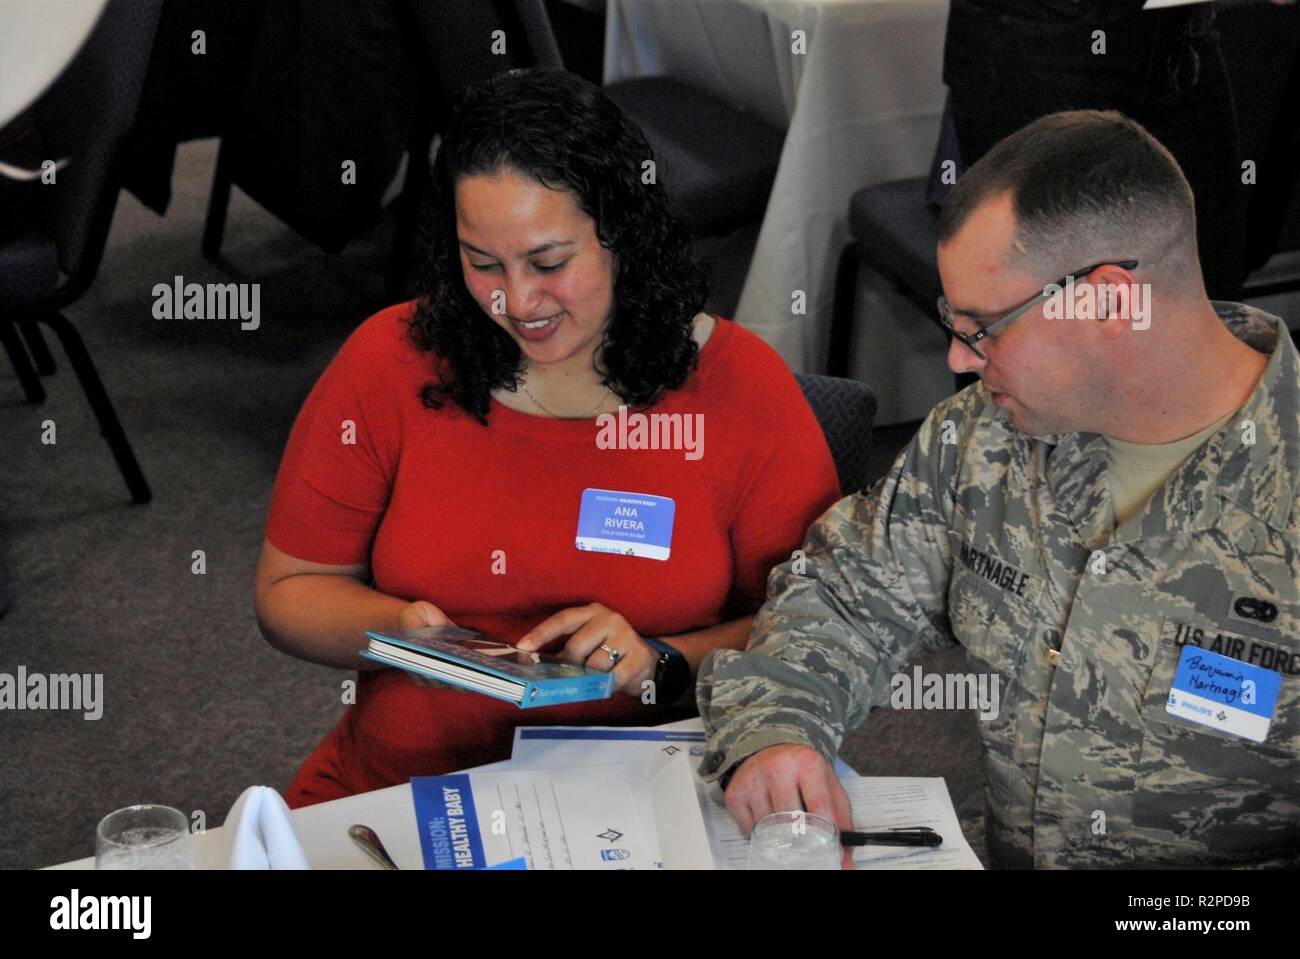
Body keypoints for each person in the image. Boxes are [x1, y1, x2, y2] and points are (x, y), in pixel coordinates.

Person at [698, 110, 1300, 868]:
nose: (957, 357)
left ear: (1108, 302)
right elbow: (845, 591)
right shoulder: (983, 440)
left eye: (985, 326)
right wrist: (778, 727)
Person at [253, 69, 840, 807]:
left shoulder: (739, 388)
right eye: (483, 263)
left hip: (637, 802)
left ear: (620, 235)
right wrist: (397, 630)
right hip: (402, 789)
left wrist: (658, 661)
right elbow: (287, 590)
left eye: (550, 262)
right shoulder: (387, 361)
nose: (517, 301)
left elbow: (817, 626)